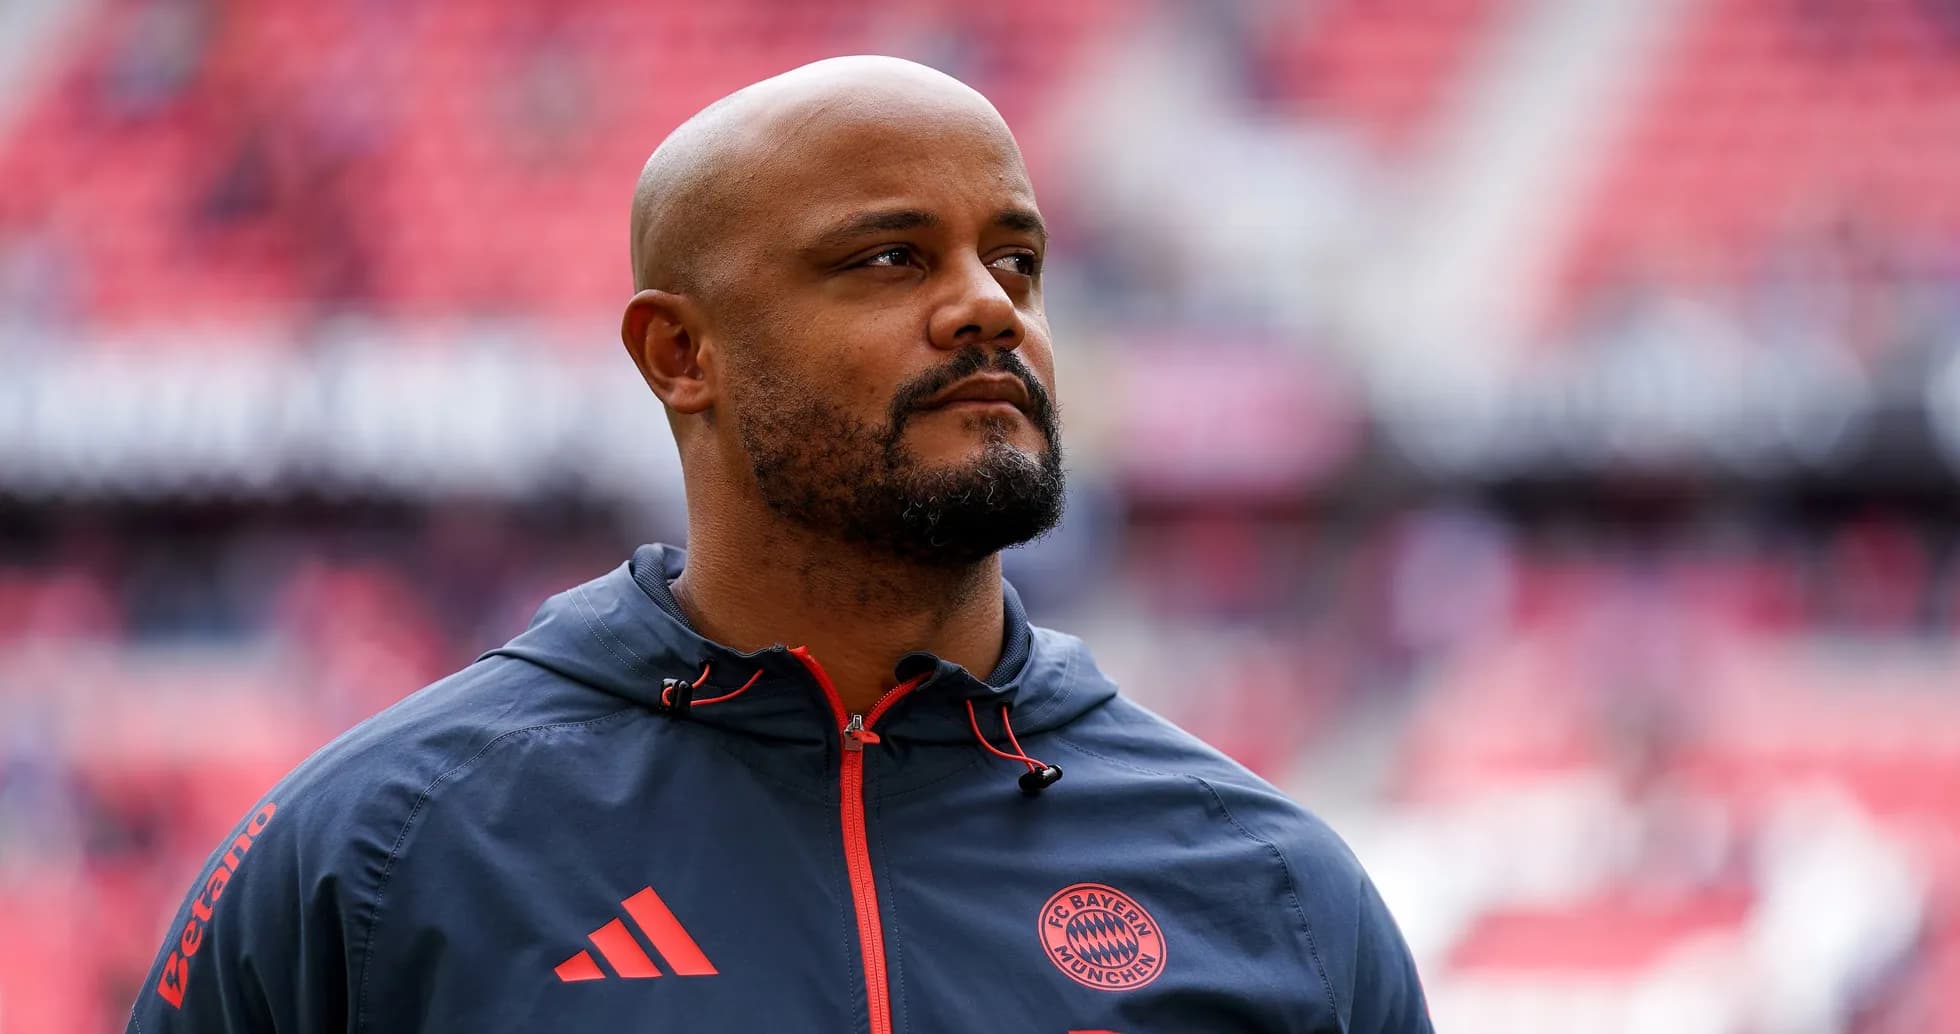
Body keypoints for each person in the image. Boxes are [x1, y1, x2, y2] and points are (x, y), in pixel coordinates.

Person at [127, 56, 1433, 1033]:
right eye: (889, 258)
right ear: (680, 353)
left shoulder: (1274, 889)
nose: (988, 307)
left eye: (1017, 260)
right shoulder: (372, 860)